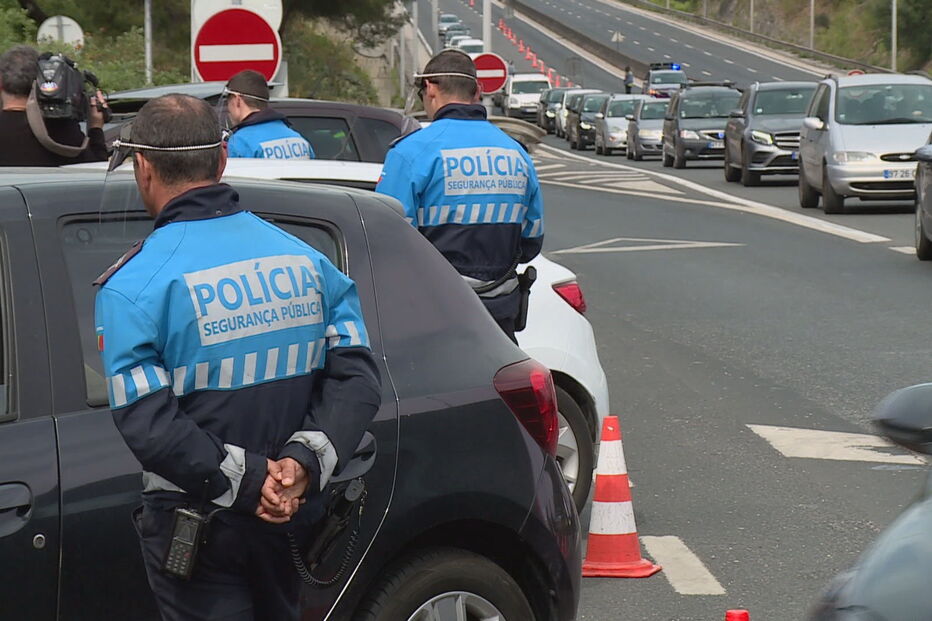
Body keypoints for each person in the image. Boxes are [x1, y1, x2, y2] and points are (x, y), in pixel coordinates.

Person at [94, 94, 380, 620]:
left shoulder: (132, 286)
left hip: (200, 523)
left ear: (142, 166)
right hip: (295, 514)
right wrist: (299, 467)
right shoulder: (308, 261)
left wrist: (250, 484)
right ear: (223, 158)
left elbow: (147, 421)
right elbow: (357, 377)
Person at [376, 49, 544, 342]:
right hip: (499, 318)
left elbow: (385, 243)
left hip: (433, 320)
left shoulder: (410, 152)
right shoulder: (516, 153)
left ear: (430, 88)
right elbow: (531, 241)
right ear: (477, 91)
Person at [0, 45, 108, 166]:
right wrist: (96, 128)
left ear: (1, 83)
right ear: (42, 80)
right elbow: (97, 172)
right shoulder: (62, 130)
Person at [223, 69, 314, 160]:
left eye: (228, 101)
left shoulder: (239, 142)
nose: (228, 108)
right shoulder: (299, 140)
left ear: (237, 100)